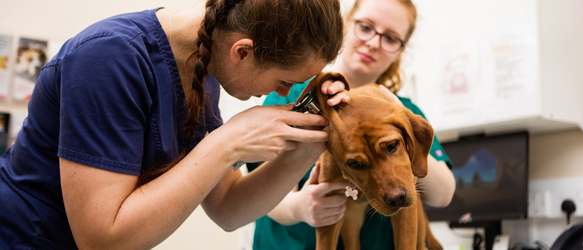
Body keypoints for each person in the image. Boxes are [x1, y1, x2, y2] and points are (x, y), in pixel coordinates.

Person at [0, 0, 348, 249]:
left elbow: (227, 208)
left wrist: (306, 147)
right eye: (284, 81)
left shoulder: (203, 71)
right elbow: (102, 240)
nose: (283, 93)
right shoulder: (109, 58)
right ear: (242, 52)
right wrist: (226, 144)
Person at [248, 0, 457, 249]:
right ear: (345, 25)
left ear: (400, 50)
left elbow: (443, 194)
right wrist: (300, 208)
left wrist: (404, 128)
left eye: (390, 38)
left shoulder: (402, 109)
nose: (373, 43)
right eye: (366, 27)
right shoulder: (292, 96)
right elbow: (260, 196)